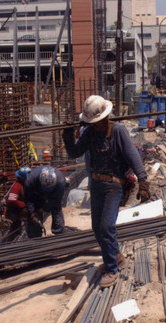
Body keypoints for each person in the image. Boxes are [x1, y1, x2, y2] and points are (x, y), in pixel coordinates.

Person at [62, 95, 150, 288]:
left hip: (114, 185)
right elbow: (75, 153)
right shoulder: (89, 133)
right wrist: (68, 137)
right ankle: (115, 255)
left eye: (96, 122)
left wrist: (143, 181)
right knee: (96, 227)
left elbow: (133, 157)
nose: (95, 125)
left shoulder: (118, 131)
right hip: (96, 184)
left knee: (106, 226)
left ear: (104, 117)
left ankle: (112, 269)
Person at [23, 165, 66, 238]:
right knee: (34, 214)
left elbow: (55, 201)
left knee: (56, 208)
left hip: (54, 192)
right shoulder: (31, 180)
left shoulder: (60, 182)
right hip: (37, 192)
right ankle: (34, 235)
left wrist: (44, 209)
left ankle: (59, 233)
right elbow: (28, 198)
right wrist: (32, 212)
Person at [4, 166, 31, 242]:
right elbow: (11, 200)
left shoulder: (23, 184)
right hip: (12, 209)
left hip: (16, 207)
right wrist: (24, 204)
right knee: (14, 228)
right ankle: (7, 243)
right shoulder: (17, 186)